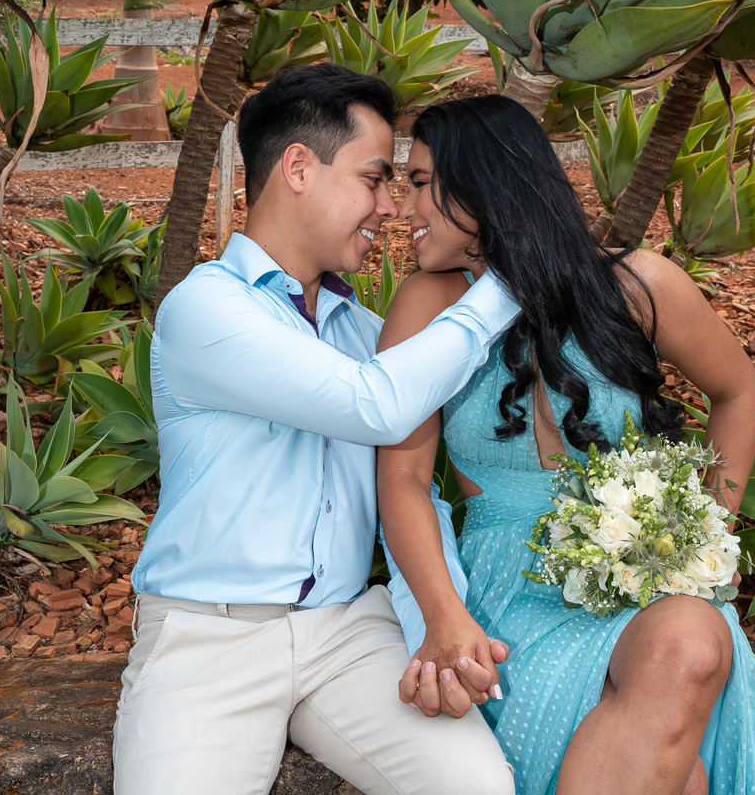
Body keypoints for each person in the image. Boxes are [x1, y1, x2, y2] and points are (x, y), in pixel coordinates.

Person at [378, 94, 755, 795]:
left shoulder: (640, 285)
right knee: (681, 773)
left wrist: (710, 529)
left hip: (644, 578)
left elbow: (737, 392)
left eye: (421, 183)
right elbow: (402, 478)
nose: (401, 208)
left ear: (485, 182)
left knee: (690, 642)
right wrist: (444, 618)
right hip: (507, 591)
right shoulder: (427, 304)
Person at [111, 65, 520, 795]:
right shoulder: (206, 309)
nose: (391, 208)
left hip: (347, 632)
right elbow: (375, 405)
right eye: (375, 179)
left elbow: (418, 457)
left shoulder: (362, 331)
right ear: (298, 168)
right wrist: (510, 281)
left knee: (476, 787)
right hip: (211, 637)